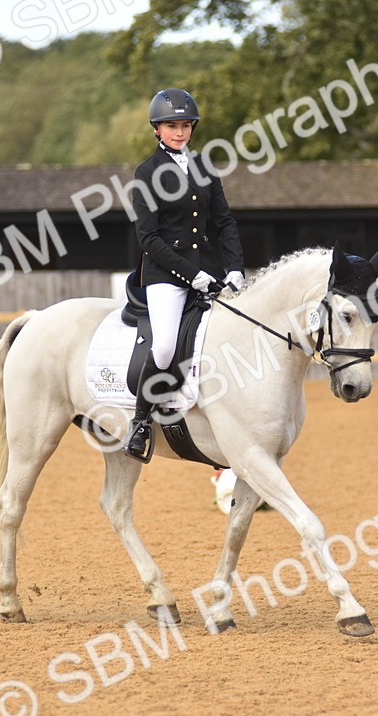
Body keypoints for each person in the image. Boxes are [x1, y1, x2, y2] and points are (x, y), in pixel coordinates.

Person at [126, 88, 245, 460]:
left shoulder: (204, 167)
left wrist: (236, 269)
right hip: (166, 274)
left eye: (185, 126)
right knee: (164, 346)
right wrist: (192, 276)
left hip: (210, 270)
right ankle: (140, 423)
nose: (179, 133)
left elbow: (224, 222)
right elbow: (148, 238)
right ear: (157, 129)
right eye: (171, 126)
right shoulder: (147, 173)